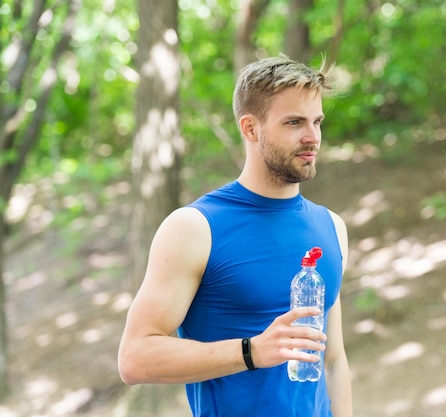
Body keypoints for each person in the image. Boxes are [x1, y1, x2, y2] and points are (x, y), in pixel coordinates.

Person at [118, 54, 353, 417]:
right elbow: (135, 358)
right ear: (250, 128)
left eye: (317, 122)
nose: (312, 137)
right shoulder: (195, 228)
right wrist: (251, 351)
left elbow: (333, 360)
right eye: (294, 122)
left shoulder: (331, 227)